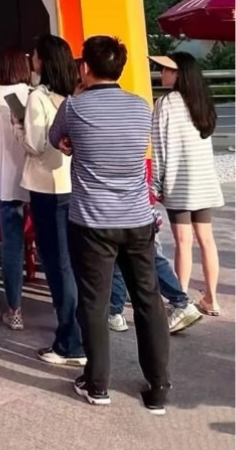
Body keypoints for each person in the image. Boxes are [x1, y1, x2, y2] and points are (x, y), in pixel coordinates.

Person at [50, 35, 171, 414]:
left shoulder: (73, 106)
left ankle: (97, 384)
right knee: (148, 300)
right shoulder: (141, 106)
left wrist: (71, 144)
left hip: (92, 222)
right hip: (138, 220)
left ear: (84, 68)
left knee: (94, 303)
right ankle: (159, 386)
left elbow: (55, 138)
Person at [12, 35, 85, 366]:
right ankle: (81, 333)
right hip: (74, 186)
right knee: (73, 263)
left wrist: (18, 126)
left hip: (46, 188)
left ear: (42, 60)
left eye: (34, 55)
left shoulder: (38, 97)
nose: (32, 59)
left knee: (57, 265)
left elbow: (36, 144)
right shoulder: (75, 94)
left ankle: (70, 342)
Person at [150, 52, 224, 317]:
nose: (161, 73)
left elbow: (159, 148)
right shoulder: (202, 102)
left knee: (183, 241)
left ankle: (180, 301)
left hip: (179, 183)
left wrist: (156, 184)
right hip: (204, 180)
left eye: (166, 70)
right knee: (206, 239)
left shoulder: (165, 103)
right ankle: (212, 299)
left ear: (178, 73)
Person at [0, 46, 30, 330]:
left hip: (6, 184)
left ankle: (15, 311)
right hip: (38, 183)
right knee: (52, 248)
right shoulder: (35, 96)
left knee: (12, 247)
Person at [109, 227, 203, 334]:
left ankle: (115, 313)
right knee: (149, 255)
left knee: (128, 256)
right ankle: (181, 302)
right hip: (142, 221)